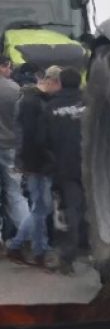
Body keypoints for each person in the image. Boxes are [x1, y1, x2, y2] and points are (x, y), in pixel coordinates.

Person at [4, 66, 60, 267]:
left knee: (39, 206)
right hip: (35, 162)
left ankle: (28, 246)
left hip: (31, 160)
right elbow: (32, 137)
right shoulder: (28, 100)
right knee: (39, 206)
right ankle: (30, 246)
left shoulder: (31, 99)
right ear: (52, 81)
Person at [45, 67, 87, 274]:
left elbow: (42, 138)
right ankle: (88, 245)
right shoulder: (91, 103)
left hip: (64, 165)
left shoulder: (52, 106)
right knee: (90, 206)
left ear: (60, 83)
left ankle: (68, 254)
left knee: (69, 208)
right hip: (90, 163)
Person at [0, 55, 30, 242]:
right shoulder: (15, 89)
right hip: (11, 148)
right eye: (8, 67)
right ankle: (29, 235)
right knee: (15, 193)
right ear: (3, 66)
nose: (10, 71)